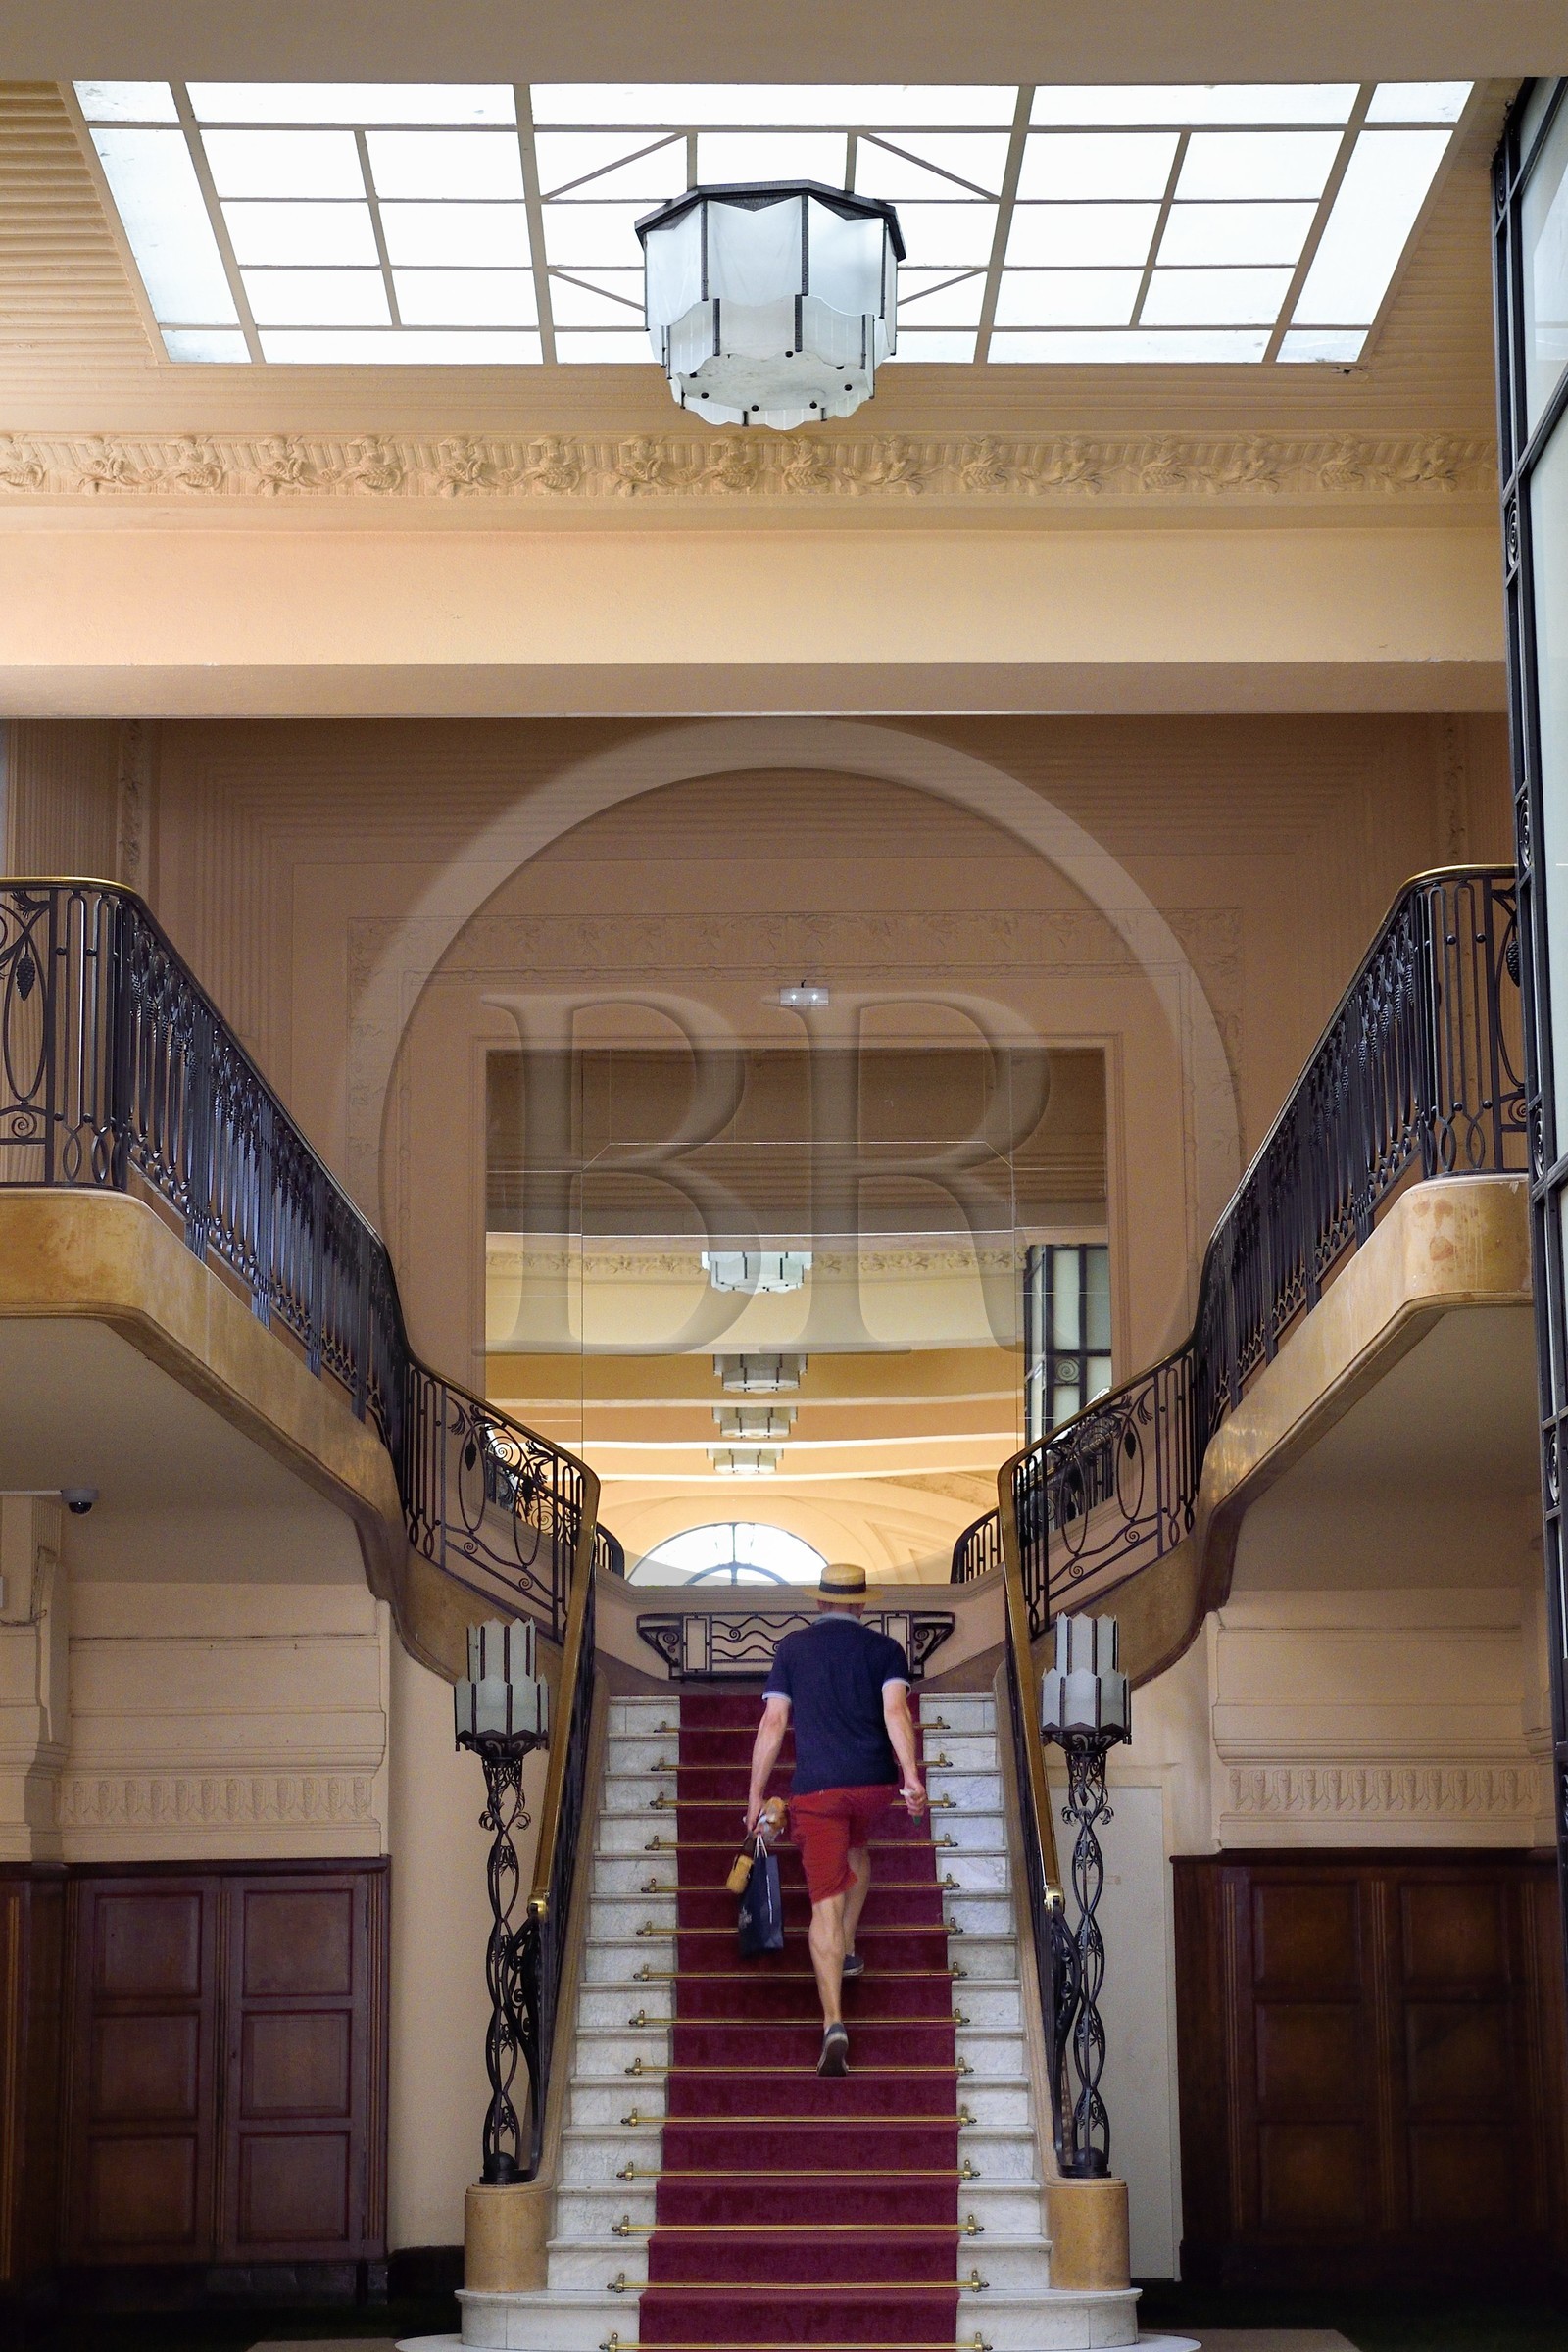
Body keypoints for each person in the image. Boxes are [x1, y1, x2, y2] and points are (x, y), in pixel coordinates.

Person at [743, 1559, 926, 2077]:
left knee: (825, 1903)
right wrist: (910, 1777)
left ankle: (833, 2023)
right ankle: (848, 1942)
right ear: (862, 1604)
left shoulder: (793, 1650)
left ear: (820, 1602)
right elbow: (897, 1714)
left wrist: (756, 1795)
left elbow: (774, 1721)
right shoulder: (885, 1650)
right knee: (858, 1846)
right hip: (872, 1784)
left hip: (818, 1792)